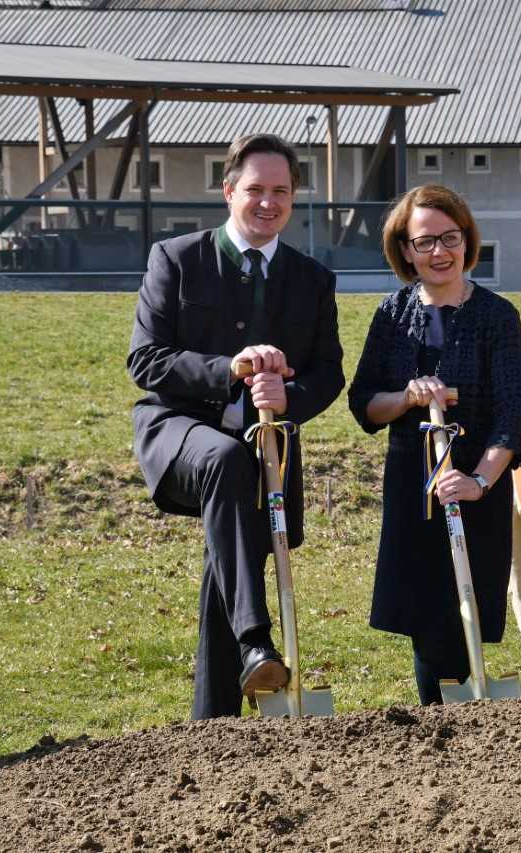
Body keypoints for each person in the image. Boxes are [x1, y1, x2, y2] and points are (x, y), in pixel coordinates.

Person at [127, 133, 344, 719]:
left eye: (280, 191)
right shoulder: (175, 258)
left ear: (294, 198)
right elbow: (145, 361)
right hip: (178, 431)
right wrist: (231, 369)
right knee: (226, 463)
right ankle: (256, 639)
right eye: (255, 190)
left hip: (266, 446)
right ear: (228, 192)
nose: (267, 203)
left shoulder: (313, 279)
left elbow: (329, 375)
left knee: (231, 558)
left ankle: (215, 720)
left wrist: (288, 394)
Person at [347, 184, 521, 705]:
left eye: (449, 238)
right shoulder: (392, 314)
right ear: (405, 250)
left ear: (466, 241)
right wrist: (406, 397)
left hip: (474, 486)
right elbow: (364, 404)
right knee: (426, 623)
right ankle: (439, 724)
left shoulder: (497, 316)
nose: (438, 252)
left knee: (463, 611)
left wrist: (477, 482)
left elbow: (514, 416)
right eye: (423, 242)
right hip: (413, 487)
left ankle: (462, 723)